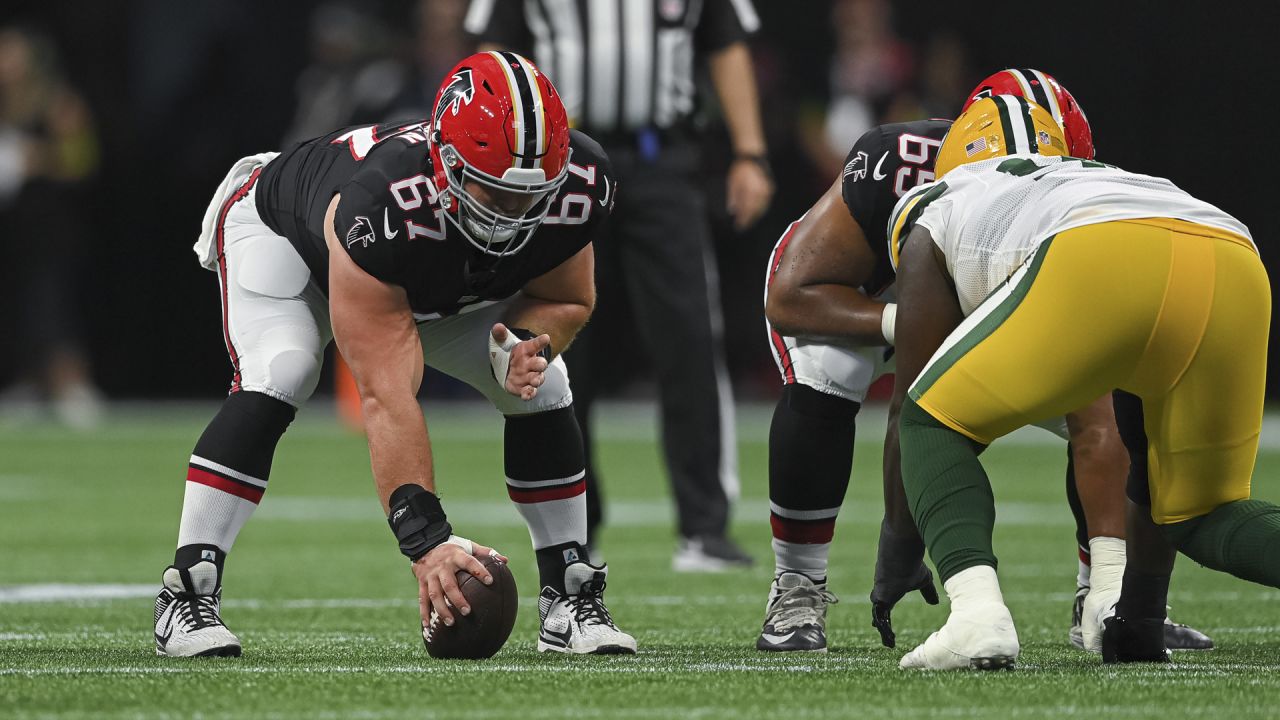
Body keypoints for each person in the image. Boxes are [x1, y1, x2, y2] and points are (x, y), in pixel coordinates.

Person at [153, 52, 635, 658]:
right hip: (285, 238)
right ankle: (187, 590)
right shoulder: (381, 208)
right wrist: (427, 541)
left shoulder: (580, 183)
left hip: (425, 276)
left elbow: (566, 298)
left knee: (547, 385)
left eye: (530, 194)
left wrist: (526, 344)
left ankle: (568, 595)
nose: (513, 212)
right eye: (493, 190)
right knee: (286, 368)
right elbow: (386, 394)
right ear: (446, 164)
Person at [757, 69, 1208, 654]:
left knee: (1114, 405)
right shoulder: (901, 164)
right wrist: (906, 324)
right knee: (827, 374)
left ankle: (1103, 594)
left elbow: (1097, 420)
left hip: (992, 310)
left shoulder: (1074, 193)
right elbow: (791, 297)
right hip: (875, 309)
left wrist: (1115, 583)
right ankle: (798, 581)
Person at [888, 94, 1276, 669]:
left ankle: (976, 616)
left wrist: (897, 547)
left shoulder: (942, 198)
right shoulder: (1092, 173)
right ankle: (1137, 612)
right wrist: (1138, 621)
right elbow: (1136, 444)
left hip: (1100, 249)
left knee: (931, 418)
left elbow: (913, 400)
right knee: (1204, 510)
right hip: (1232, 253)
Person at [464, 0, 774, 570]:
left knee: (689, 338)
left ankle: (704, 527)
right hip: (557, 165)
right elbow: (494, 62)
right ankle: (576, 523)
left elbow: (726, 42)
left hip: (663, 159)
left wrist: (750, 152)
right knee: (559, 337)